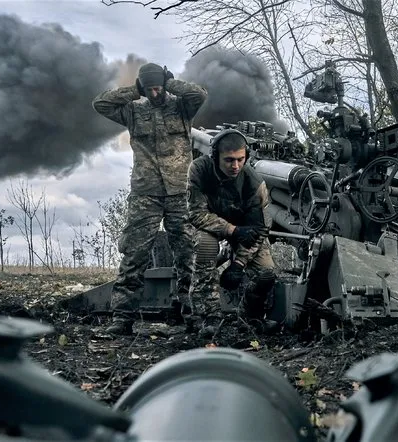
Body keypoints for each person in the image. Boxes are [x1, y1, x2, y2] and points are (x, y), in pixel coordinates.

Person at [92, 63, 207, 335]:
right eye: (151, 88)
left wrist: (170, 83)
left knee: (189, 253)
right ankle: (122, 319)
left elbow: (199, 95)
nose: (155, 93)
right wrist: (135, 90)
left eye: (158, 87)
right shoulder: (133, 110)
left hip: (181, 191)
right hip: (146, 193)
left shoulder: (182, 107)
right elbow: (100, 104)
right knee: (134, 254)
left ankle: (192, 318)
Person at [185, 128, 279, 338]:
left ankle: (250, 317)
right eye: (229, 160)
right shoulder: (199, 170)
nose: (235, 166)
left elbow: (261, 228)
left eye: (240, 159)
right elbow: (196, 214)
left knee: (267, 272)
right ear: (215, 155)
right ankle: (207, 316)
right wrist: (232, 230)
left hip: (245, 231)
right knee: (206, 247)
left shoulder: (254, 183)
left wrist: (239, 264)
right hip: (210, 225)